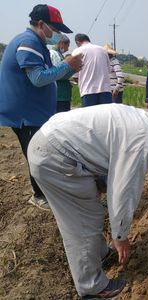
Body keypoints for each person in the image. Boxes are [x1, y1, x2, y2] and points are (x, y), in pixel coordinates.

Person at [27, 104, 148, 299]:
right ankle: (92, 287)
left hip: (51, 142)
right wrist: (120, 236)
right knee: (82, 223)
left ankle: (101, 254)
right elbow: (124, 191)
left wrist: (102, 180)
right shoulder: (143, 142)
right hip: (55, 157)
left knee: (91, 211)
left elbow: (109, 150)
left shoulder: (143, 119)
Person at [0, 4, 82, 210]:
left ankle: (44, 191)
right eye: (54, 28)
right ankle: (39, 195)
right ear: (40, 24)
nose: (56, 33)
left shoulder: (37, 43)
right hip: (24, 114)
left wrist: (69, 70)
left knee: (40, 152)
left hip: (32, 111)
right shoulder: (28, 42)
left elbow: (49, 74)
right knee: (35, 154)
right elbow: (37, 78)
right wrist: (67, 65)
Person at [72, 34, 112, 107]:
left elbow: (75, 76)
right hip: (105, 90)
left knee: (90, 117)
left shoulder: (77, 51)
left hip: (88, 91)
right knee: (105, 117)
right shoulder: (103, 50)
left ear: (77, 42)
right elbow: (108, 71)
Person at [50, 34, 73, 112]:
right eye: (67, 46)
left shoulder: (59, 54)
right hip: (59, 95)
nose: (67, 49)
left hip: (62, 94)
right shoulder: (54, 54)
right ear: (62, 43)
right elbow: (58, 74)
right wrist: (73, 69)